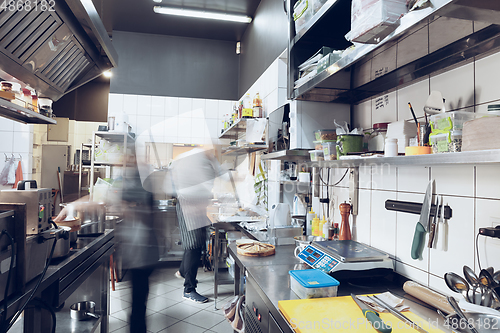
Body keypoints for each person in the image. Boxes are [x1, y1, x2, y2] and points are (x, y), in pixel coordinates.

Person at [55, 155, 158, 333]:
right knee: (138, 301)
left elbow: (128, 208)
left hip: (143, 253)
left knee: (138, 302)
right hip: (138, 253)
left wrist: (123, 207)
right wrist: (71, 206)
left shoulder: (138, 185)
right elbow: (100, 199)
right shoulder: (132, 182)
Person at [170, 148, 220, 303]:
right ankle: (189, 289)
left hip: (196, 206)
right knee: (194, 246)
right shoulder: (192, 160)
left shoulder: (205, 160)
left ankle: (182, 271)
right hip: (188, 205)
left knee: (194, 243)